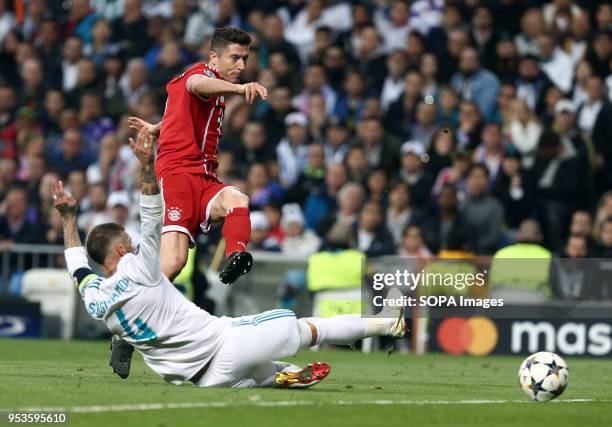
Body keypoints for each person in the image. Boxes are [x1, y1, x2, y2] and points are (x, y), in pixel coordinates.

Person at [52, 130, 407, 388]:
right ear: (119, 251)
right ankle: (386, 323)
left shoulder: (95, 297)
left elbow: (76, 266)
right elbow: (151, 216)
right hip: (226, 344)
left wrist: (69, 219)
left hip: (199, 378)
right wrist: (148, 168)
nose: (133, 246)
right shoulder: (138, 268)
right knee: (308, 329)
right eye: (127, 243)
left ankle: (280, 375)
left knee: (264, 370)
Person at [127, 27, 267, 286]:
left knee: (237, 199)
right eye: (234, 58)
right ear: (214, 58)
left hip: (204, 176)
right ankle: (134, 308)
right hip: (178, 175)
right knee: (174, 262)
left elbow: (181, 110)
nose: (241, 65)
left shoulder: (213, 92)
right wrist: (239, 89)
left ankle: (235, 254)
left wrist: (157, 128)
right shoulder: (201, 74)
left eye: (244, 59)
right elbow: (196, 84)